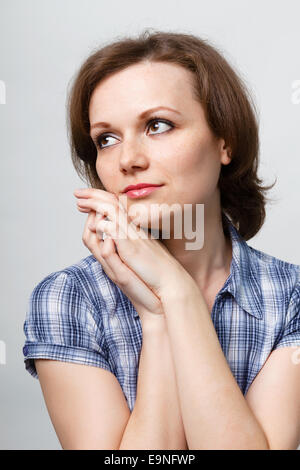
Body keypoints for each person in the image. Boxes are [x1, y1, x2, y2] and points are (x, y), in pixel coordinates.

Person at [22, 30, 300, 450]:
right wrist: (155, 320)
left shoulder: (292, 297)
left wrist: (177, 293)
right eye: (106, 139)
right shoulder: (68, 299)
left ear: (226, 141)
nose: (128, 159)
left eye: (158, 125)